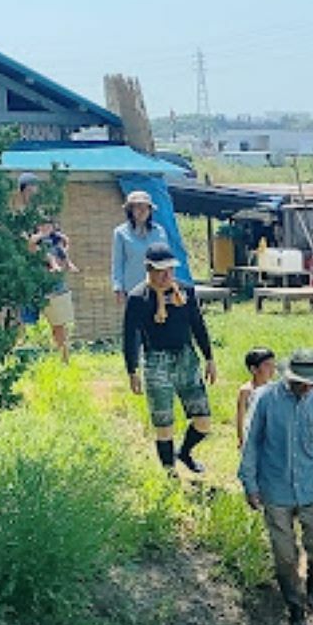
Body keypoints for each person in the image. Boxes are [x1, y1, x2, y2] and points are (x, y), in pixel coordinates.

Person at [239, 349, 313, 625]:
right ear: (290, 377)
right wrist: (250, 484)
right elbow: (252, 444)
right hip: (275, 487)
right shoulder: (266, 400)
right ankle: (295, 610)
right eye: (302, 382)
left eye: (312, 382)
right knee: (285, 556)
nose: (307, 387)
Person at [123, 245, 217, 475]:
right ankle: (169, 473)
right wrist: (132, 370)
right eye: (161, 271)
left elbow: (197, 324)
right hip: (156, 360)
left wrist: (209, 358)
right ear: (149, 270)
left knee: (203, 421)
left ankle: (184, 452)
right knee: (164, 424)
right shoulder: (138, 297)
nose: (167, 276)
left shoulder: (184, 292)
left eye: (170, 270)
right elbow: (130, 335)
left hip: (186, 357)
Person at [17, 174, 76, 363]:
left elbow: (62, 240)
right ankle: (16, 360)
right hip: (30, 277)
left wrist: (63, 251)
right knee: (23, 320)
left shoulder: (47, 214)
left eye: (35, 187)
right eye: (28, 188)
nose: (33, 192)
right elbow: (25, 246)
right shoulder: (20, 219)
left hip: (52, 278)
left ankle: (64, 360)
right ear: (22, 191)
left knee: (59, 322)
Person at [112, 190, 171, 302]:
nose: (142, 211)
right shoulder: (120, 233)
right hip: (133, 288)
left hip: (157, 287)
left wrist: (169, 283)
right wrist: (118, 288)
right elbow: (118, 262)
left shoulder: (159, 231)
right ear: (130, 210)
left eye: (146, 207)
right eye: (138, 207)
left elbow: (167, 260)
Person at [237, 347, 278, 449]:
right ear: (254, 369)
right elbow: (240, 417)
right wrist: (241, 439)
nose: (272, 369)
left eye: (273, 365)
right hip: (252, 434)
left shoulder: (275, 389)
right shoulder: (246, 391)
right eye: (267, 365)